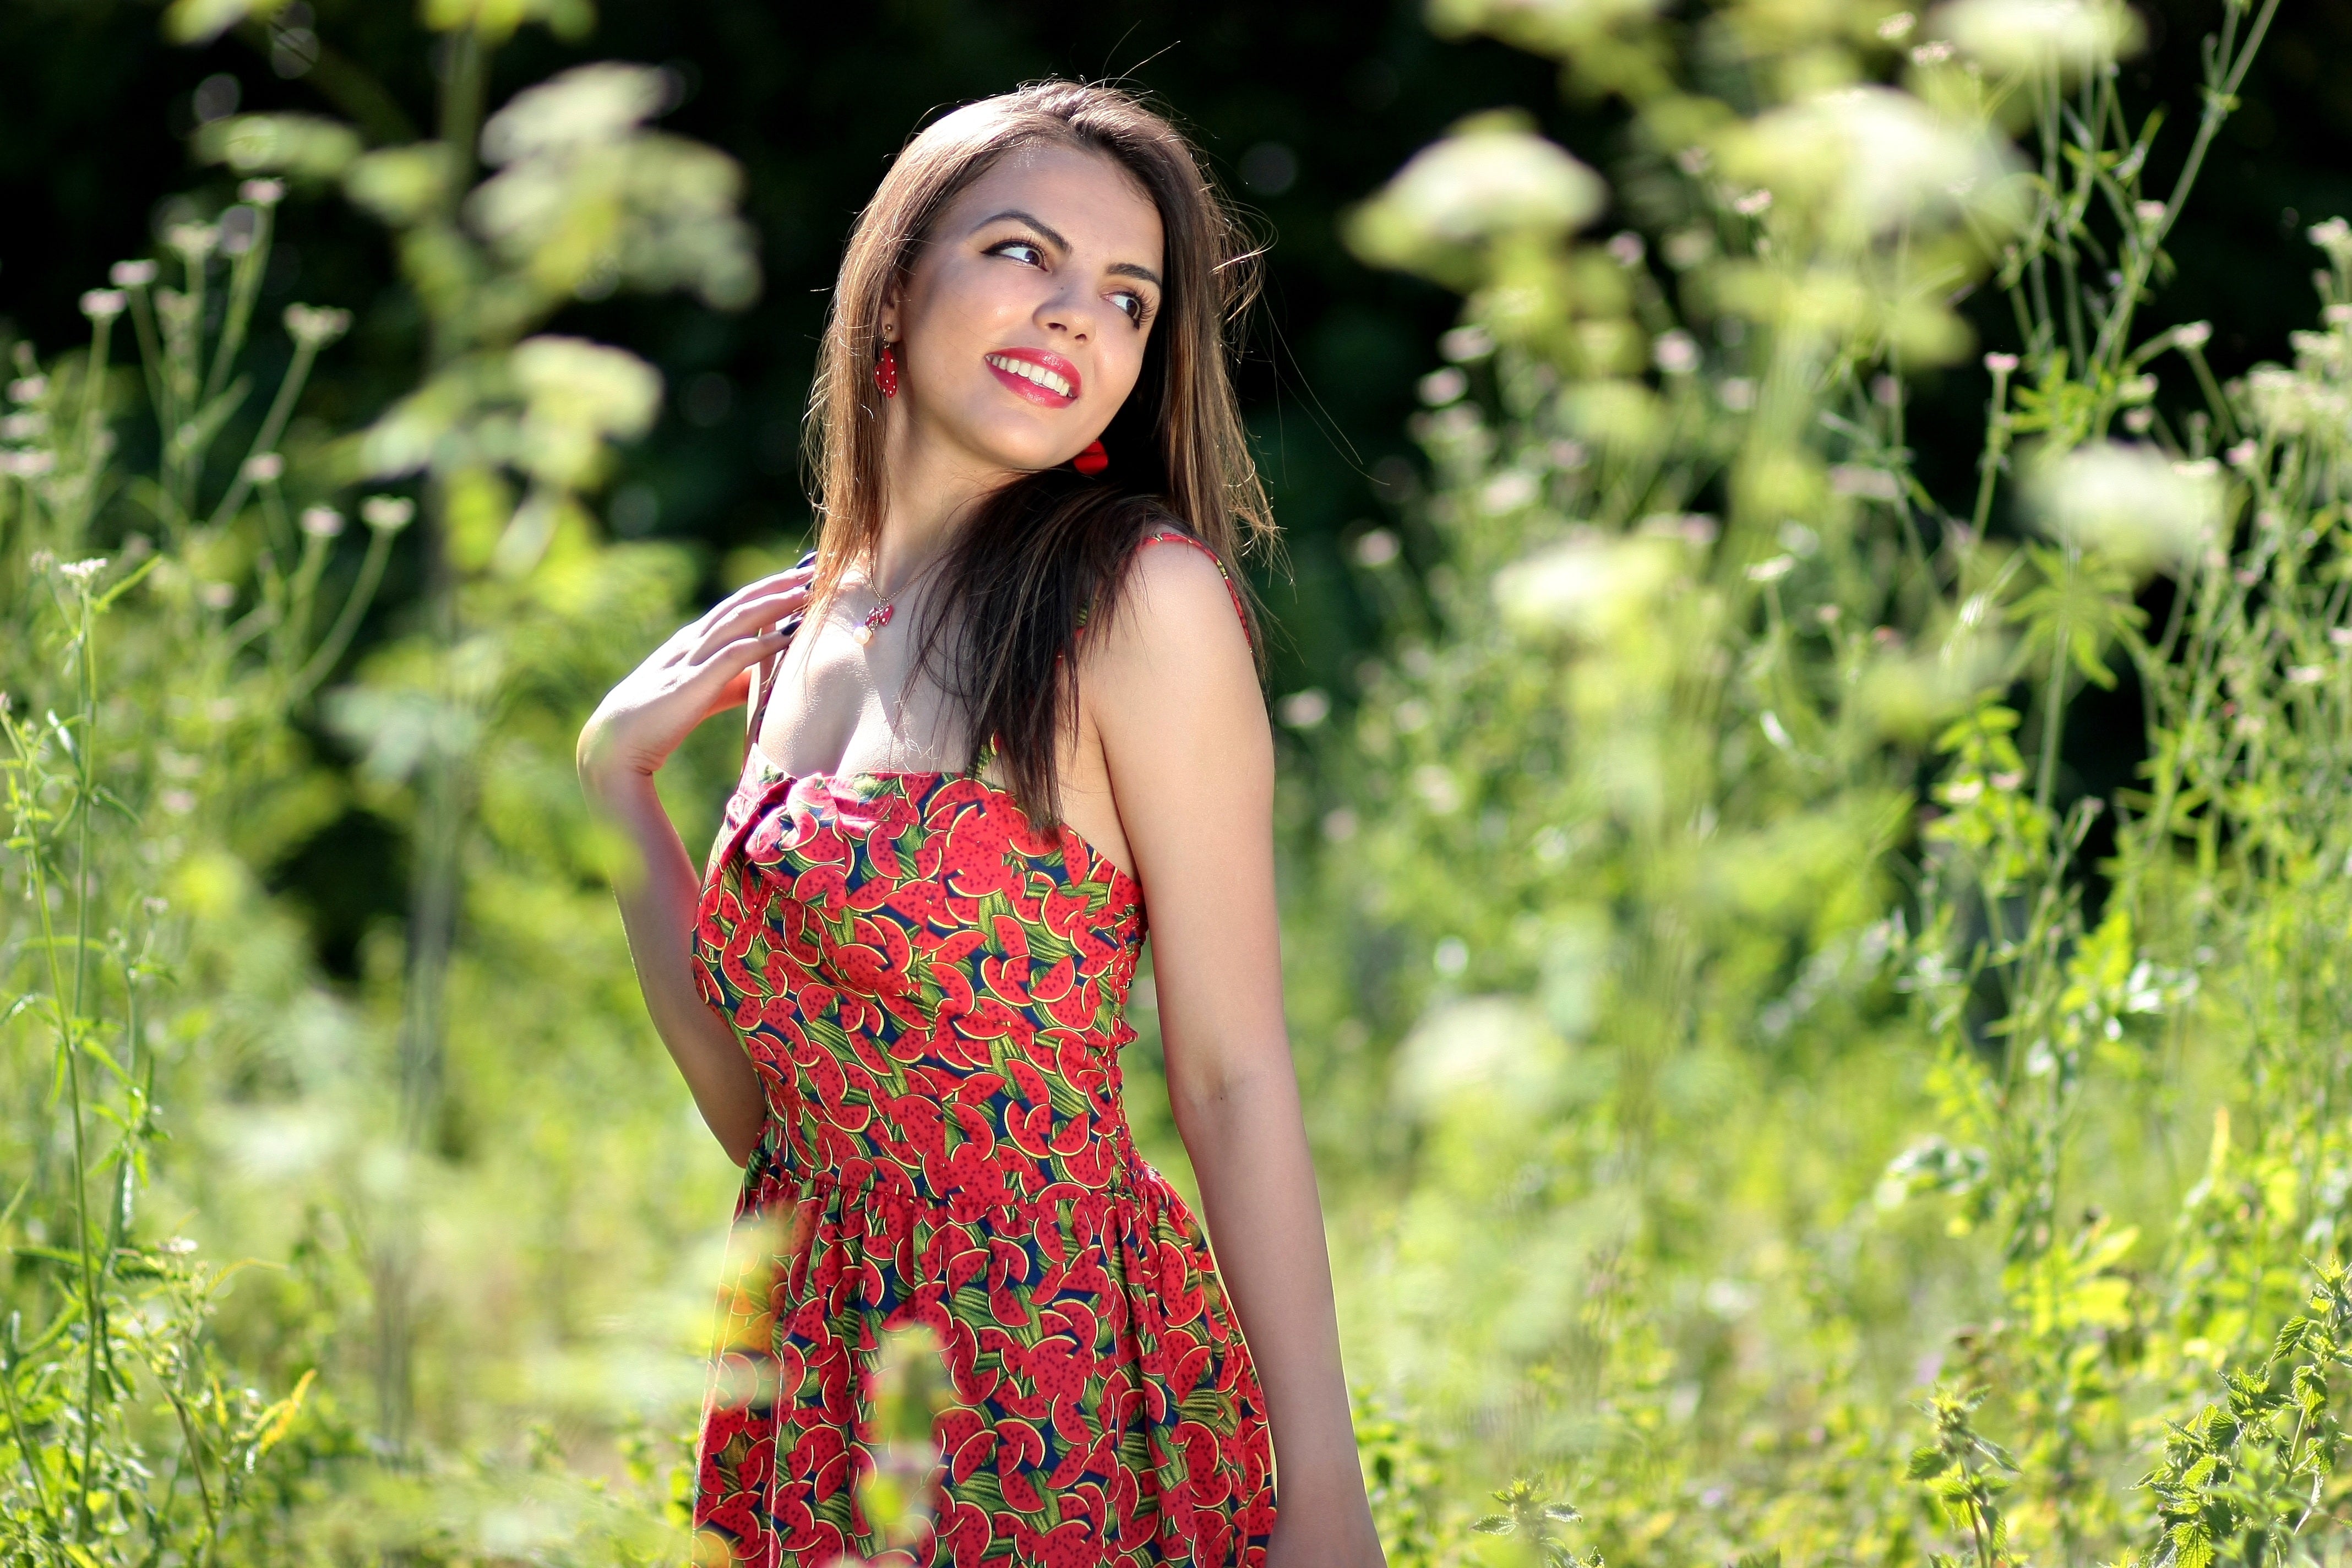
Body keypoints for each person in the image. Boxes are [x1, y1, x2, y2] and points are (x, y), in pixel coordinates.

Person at [576, 80, 1384, 1568]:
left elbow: (1229, 1073)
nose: (1079, 314)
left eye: (1128, 297)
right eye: (1025, 252)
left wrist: (1326, 1491)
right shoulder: (809, 629)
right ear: (892, 291)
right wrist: (618, 788)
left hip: (1050, 1369)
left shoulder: (1138, 603)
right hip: (809, 1374)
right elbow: (772, 1122)